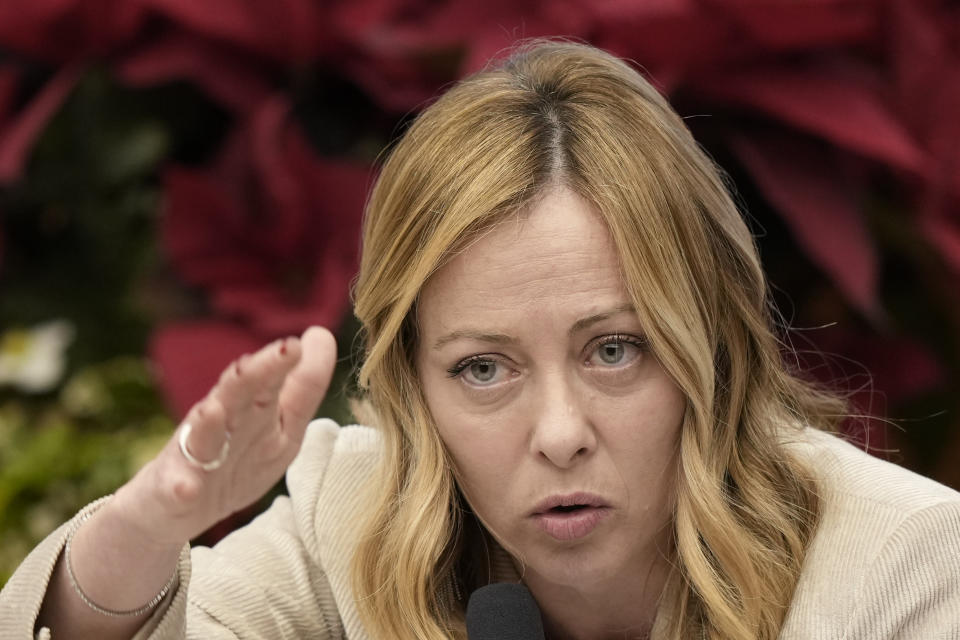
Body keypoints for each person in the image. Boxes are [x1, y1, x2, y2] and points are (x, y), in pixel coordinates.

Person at [2, 39, 959, 640]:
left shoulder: (905, 568)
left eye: (614, 349)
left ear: (711, 344)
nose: (559, 432)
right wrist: (152, 525)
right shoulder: (352, 526)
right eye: (483, 369)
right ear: (415, 389)